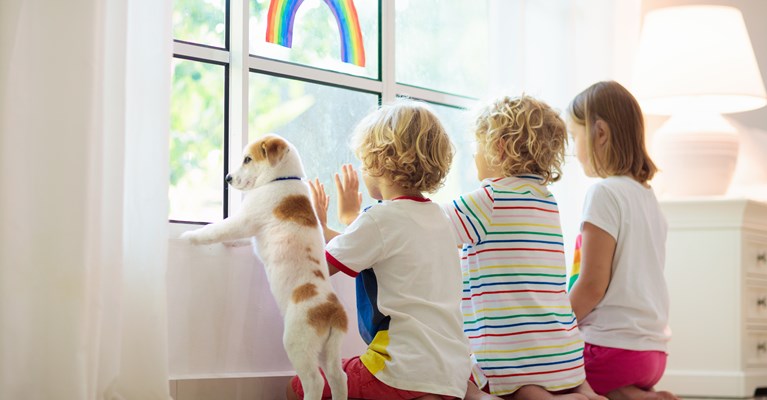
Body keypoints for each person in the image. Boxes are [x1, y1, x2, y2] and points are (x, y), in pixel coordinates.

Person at [288, 100, 472, 400]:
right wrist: (331, 227)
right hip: (450, 374)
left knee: (298, 386)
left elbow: (321, 265)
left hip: (399, 369)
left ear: (379, 162)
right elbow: (384, 249)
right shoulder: (442, 218)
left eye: (363, 162)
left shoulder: (380, 218)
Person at [443, 95, 604, 400]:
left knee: (458, 381)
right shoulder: (546, 201)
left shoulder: (487, 199)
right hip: (562, 353)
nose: (473, 155)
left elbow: (425, 230)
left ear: (499, 147)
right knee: (533, 385)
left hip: (511, 355)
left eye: (476, 146)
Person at [566, 81, 678, 400]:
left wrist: (556, 328)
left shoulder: (604, 193)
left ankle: (629, 394)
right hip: (652, 355)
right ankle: (631, 393)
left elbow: (591, 286)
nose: (574, 151)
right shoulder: (647, 197)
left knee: (536, 379)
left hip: (610, 350)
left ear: (599, 132)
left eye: (575, 136)